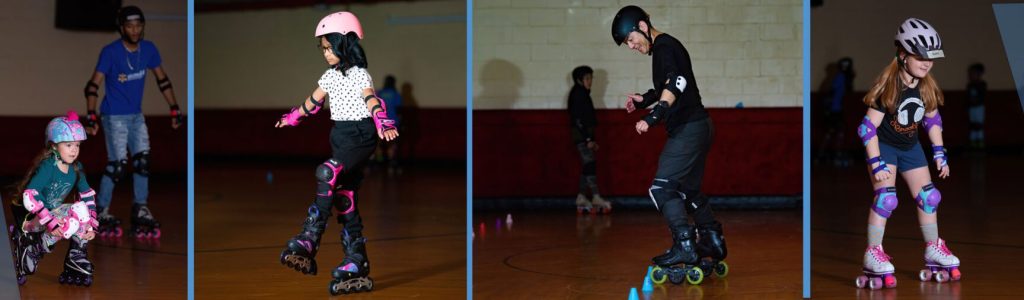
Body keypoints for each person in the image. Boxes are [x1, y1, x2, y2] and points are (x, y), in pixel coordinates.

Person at [275, 11, 398, 295]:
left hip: (361, 135)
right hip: (340, 136)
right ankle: (356, 260)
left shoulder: (358, 74)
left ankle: (310, 238)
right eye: (323, 49)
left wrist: (381, 119)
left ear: (345, 43)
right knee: (345, 198)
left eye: (330, 48)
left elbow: (370, 98)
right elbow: (312, 101)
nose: (327, 54)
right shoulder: (330, 77)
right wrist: (293, 117)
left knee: (326, 172)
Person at [612, 5, 727, 285]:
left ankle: (685, 247)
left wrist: (652, 117)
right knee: (688, 190)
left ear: (641, 26)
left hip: (688, 127)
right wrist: (645, 98)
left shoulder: (663, 47)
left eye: (630, 39)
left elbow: (676, 83)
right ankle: (712, 243)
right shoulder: (666, 47)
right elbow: (670, 83)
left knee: (661, 188)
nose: (631, 46)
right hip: (700, 125)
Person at [854, 18, 959, 290]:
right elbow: (867, 128)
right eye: (920, 57)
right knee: (886, 199)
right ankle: (873, 252)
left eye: (931, 58)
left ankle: (933, 248)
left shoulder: (926, 86)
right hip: (885, 147)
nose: (926, 63)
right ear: (902, 55)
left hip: (910, 147)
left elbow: (932, 121)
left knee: (929, 197)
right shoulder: (887, 86)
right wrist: (876, 162)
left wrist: (939, 152)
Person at [83, 5, 183, 239]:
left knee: (143, 162)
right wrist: (90, 115)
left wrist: (175, 108)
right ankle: (100, 209)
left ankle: (140, 207)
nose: (135, 30)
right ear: (121, 28)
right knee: (117, 165)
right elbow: (92, 86)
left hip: (136, 116)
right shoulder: (110, 52)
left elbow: (163, 80)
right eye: (130, 26)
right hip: (113, 116)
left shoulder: (148, 50)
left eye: (138, 25)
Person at [10, 111, 98, 286]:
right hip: (31, 219)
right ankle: (34, 249)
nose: (74, 150)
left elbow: (87, 197)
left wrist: (91, 225)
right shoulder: (48, 166)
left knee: (81, 210)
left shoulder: (76, 167)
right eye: (68, 144)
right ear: (54, 146)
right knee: (71, 218)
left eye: (77, 145)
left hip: (52, 216)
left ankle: (76, 257)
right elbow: (30, 196)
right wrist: (51, 222)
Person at [567, 65, 611, 214]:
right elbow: (578, 119)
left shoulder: (582, 94)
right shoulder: (578, 95)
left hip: (584, 136)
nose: (590, 81)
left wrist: (591, 138)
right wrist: (587, 139)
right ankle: (595, 196)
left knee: (588, 165)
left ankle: (581, 196)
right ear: (579, 80)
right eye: (587, 78)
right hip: (581, 137)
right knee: (590, 164)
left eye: (591, 78)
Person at [966, 63, 986, 149]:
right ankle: (973, 145)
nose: (972, 75)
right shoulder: (969, 85)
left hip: (979, 108)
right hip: (971, 108)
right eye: (971, 73)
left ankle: (980, 144)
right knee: (972, 125)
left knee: (979, 125)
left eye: (974, 73)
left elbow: (982, 97)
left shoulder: (982, 84)